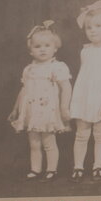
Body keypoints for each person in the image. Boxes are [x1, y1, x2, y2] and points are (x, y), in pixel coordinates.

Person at [8, 21, 72, 180]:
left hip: (48, 111)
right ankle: (35, 169)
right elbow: (24, 90)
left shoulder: (57, 67)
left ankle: (52, 169)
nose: (42, 49)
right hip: (31, 111)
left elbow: (66, 88)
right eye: (37, 46)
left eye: (47, 45)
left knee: (49, 142)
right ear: (31, 51)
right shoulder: (29, 69)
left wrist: (64, 107)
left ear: (55, 48)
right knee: (34, 143)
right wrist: (15, 109)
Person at [69, 3, 101, 181]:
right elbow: (84, 79)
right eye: (88, 27)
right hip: (84, 98)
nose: (92, 31)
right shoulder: (86, 50)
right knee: (81, 134)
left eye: (98, 26)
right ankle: (78, 166)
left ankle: (98, 165)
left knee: (100, 134)